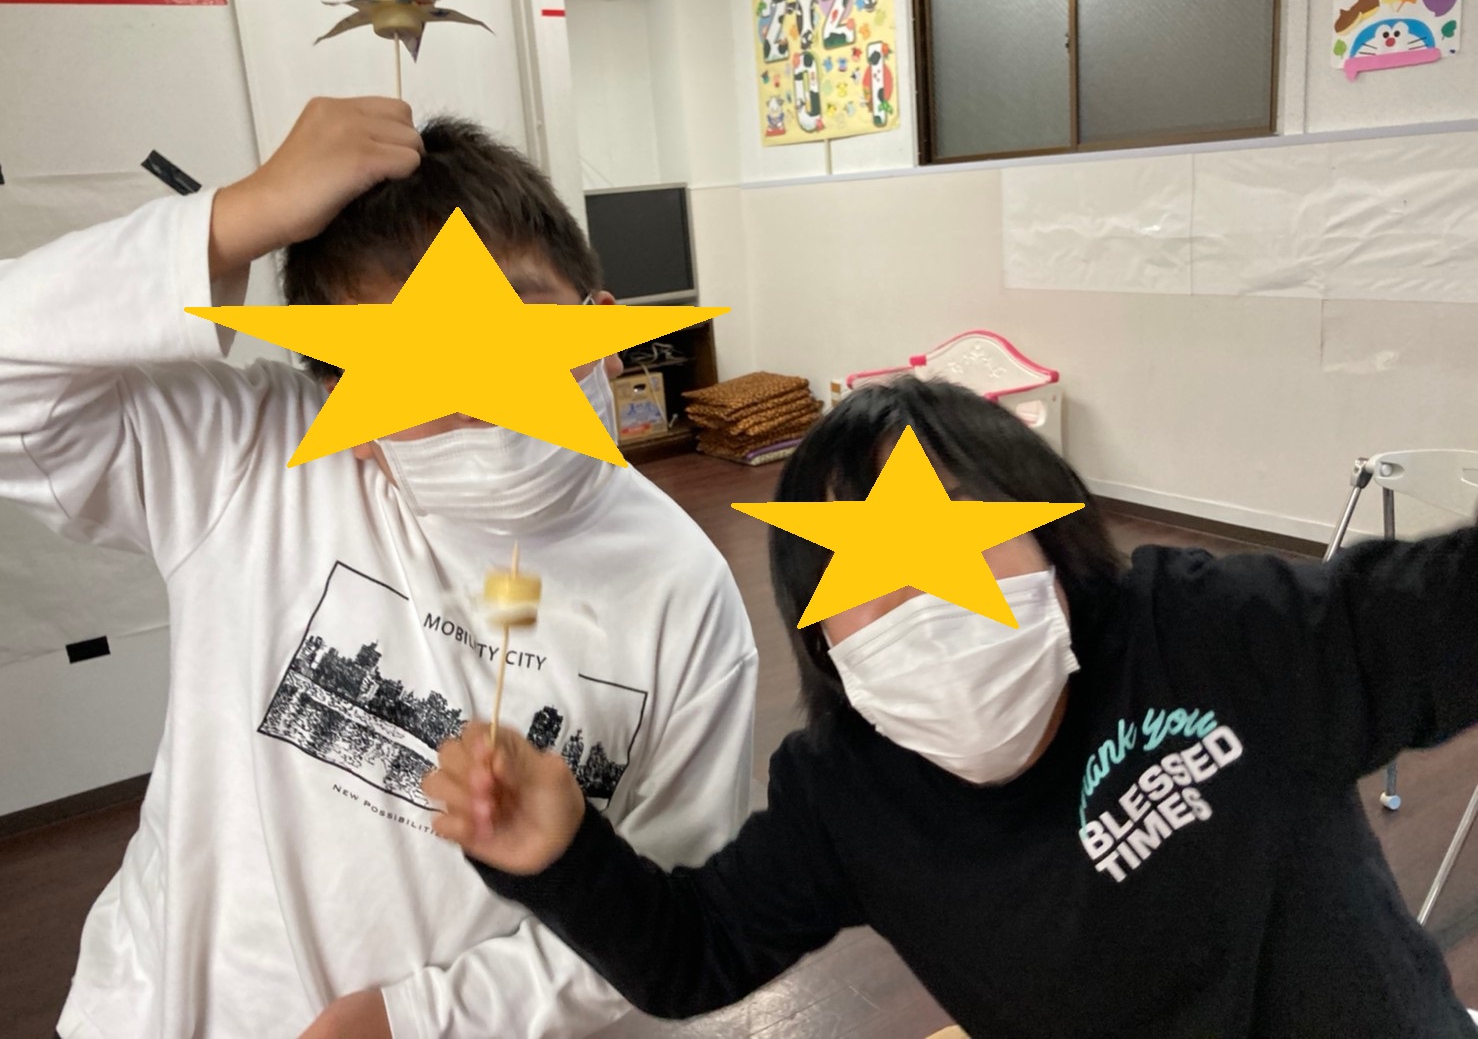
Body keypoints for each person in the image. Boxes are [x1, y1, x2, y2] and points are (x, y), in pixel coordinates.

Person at [1, 96, 757, 1038]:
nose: (477, 390)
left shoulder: (687, 592)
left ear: (602, 328)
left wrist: (420, 1020)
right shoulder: (250, 458)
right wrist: (239, 217)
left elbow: (675, 902)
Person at [428, 376, 1478, 1038]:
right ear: (818, 632)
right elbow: (690, 953)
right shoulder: (845, 793)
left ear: (1053, 539)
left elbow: (1441, 613)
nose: (919, 598)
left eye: (957, 532)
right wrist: (561, 856)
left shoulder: (1209, 632)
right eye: (862, 571)